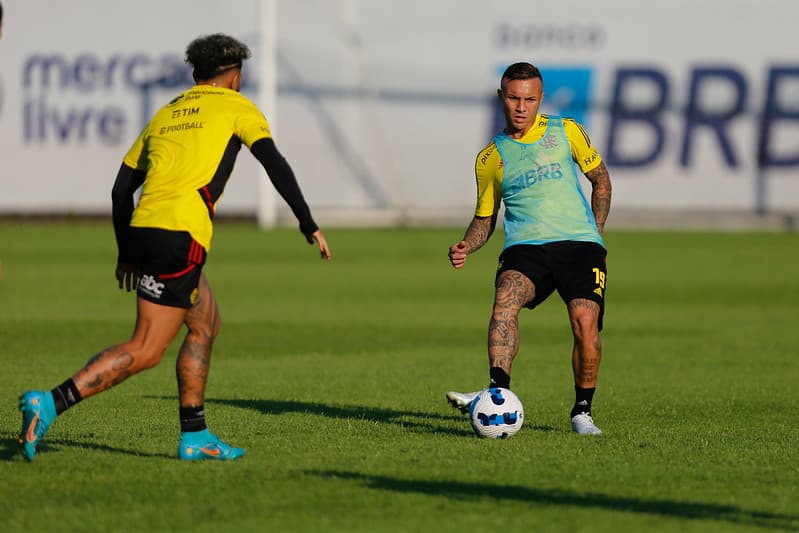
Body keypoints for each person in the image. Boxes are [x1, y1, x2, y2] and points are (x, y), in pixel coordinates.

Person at [18, 33, 331, 462]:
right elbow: (273, 161)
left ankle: (195, 436)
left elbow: (120, 189)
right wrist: (307, 221)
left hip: (147, 228)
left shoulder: (166, 113)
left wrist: (127, 250)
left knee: (206, 322)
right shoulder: (238, 107)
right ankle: (50, 402)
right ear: (234, 76)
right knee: (146, 349)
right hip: (180, 237)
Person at [446, 62, 612, 435]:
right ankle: (497, 395)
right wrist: (466, 245)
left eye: (530, 99)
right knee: (504, 301)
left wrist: (595, 233)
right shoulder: (491, 158)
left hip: (579, 245)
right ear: (501, 97)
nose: (521, 107)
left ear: (540, 99)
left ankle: (582, 412)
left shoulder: (566, 131)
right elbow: (485, 219)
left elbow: (601, 179)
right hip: (526, 247)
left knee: (585, 324)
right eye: (514, 98)